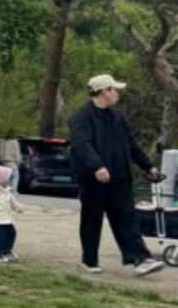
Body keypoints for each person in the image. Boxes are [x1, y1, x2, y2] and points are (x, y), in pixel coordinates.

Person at [68, 75, 163, 277]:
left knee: (127, 217)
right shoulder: (82, 117)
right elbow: (82, 145)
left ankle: (140, 258)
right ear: (104, 91)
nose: (118, 94)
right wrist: (97, 166)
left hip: (120, 177)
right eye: (114, 90)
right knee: (92, 220)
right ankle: (89, 260)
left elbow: (132, 144)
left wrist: (148, 166)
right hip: (93, 179)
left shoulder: (117, 118)